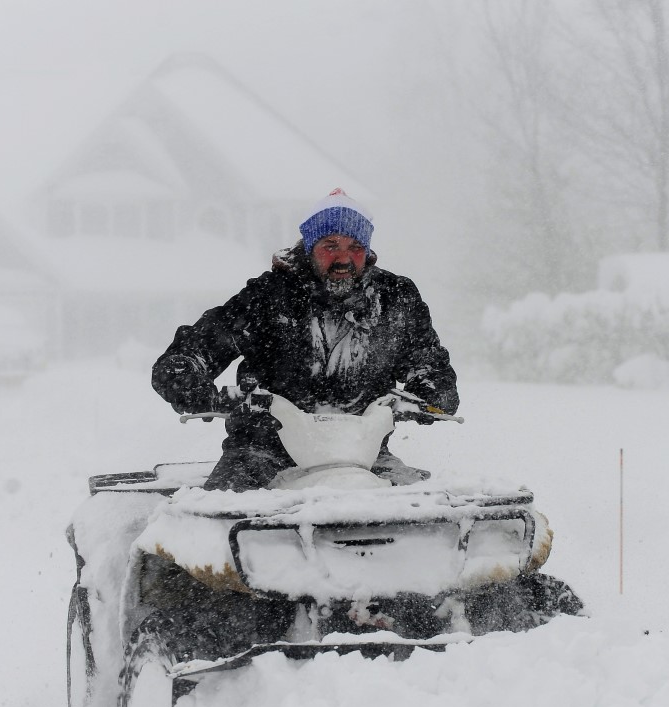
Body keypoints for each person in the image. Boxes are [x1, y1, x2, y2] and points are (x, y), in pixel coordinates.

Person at [152, 188, 460, 491]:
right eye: (330, 245)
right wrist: (192, 385)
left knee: (422, 510)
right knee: (218, 515)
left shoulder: (394, 298)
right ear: (310, 246)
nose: (344, 259)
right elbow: (191, 352)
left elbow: (429, 363)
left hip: (363, 456)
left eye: (355, 247)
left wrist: (433, 392)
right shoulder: (268, 297)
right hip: (264, 450)